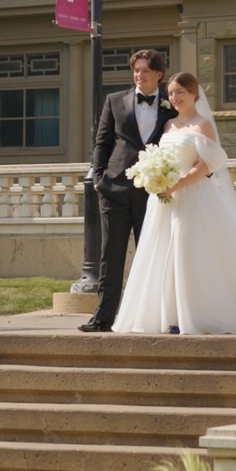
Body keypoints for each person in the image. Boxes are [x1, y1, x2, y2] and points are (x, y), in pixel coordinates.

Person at [112, 71, 236, 336]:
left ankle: (195, 315)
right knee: (162, 253)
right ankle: (169, 316)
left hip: (192, 196)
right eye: (172, 92)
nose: (175, 97)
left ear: (194, 94)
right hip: (163, 201)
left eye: (180, 92)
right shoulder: (168, 126)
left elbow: (205, 166)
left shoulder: (202, 125)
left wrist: (175, 184)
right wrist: (154, 180)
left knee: (188, 253)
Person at [79, 49, 171, 333]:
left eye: (145, 70)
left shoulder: (172, 102)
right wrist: (98, 177)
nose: (138, 75)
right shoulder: (115, 100)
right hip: (115, 188)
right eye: (136, 70)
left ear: (159, 74)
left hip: (154, 193)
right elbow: (102, 141)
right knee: (111, 255)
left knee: (154, 256)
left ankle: (155, 318)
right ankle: (102, 318)